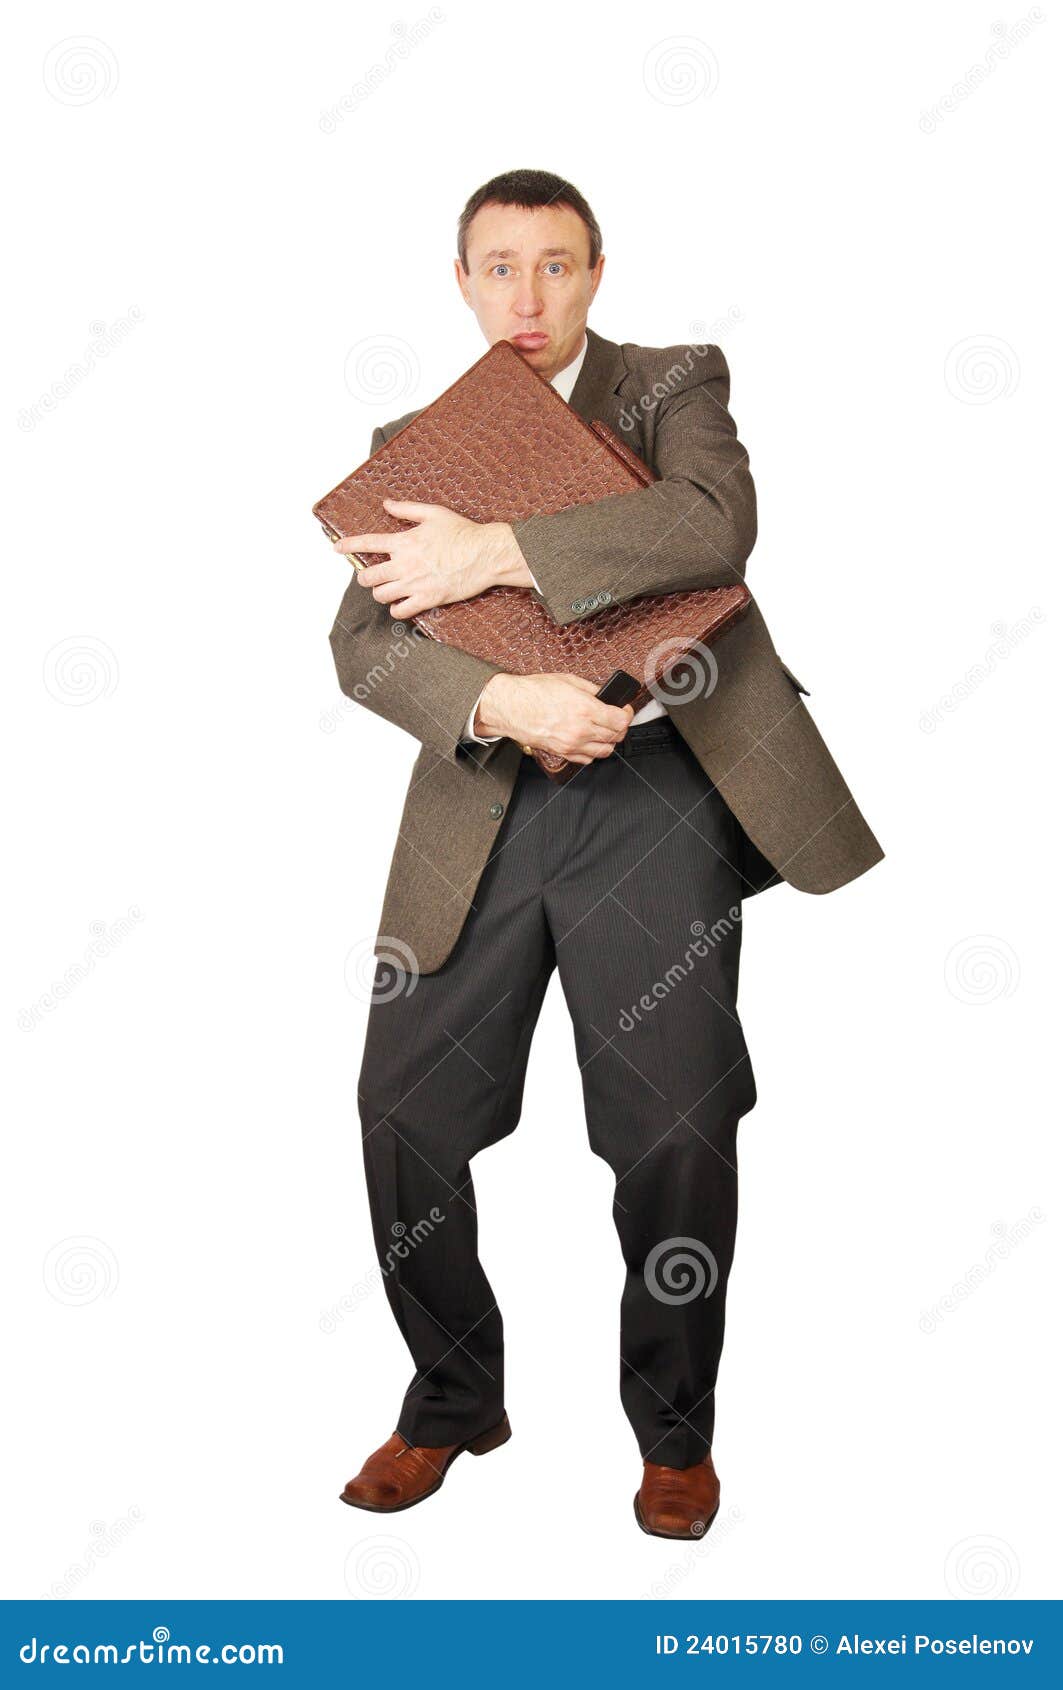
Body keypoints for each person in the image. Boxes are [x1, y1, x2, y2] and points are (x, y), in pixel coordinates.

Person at [328, 169, 883, 1538]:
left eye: (556, 266)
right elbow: (364, 644)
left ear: (596, 272)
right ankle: (454, 1397)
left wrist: (494, 553)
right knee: (401, 1114)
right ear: (461, 281)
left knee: (677, 1131)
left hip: (656, 805)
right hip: (486, 806)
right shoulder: (420, 442)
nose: (527, 296)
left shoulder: (668, 382)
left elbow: (711, 525)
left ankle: (675, 1432)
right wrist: (500, 700)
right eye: (499, 268)